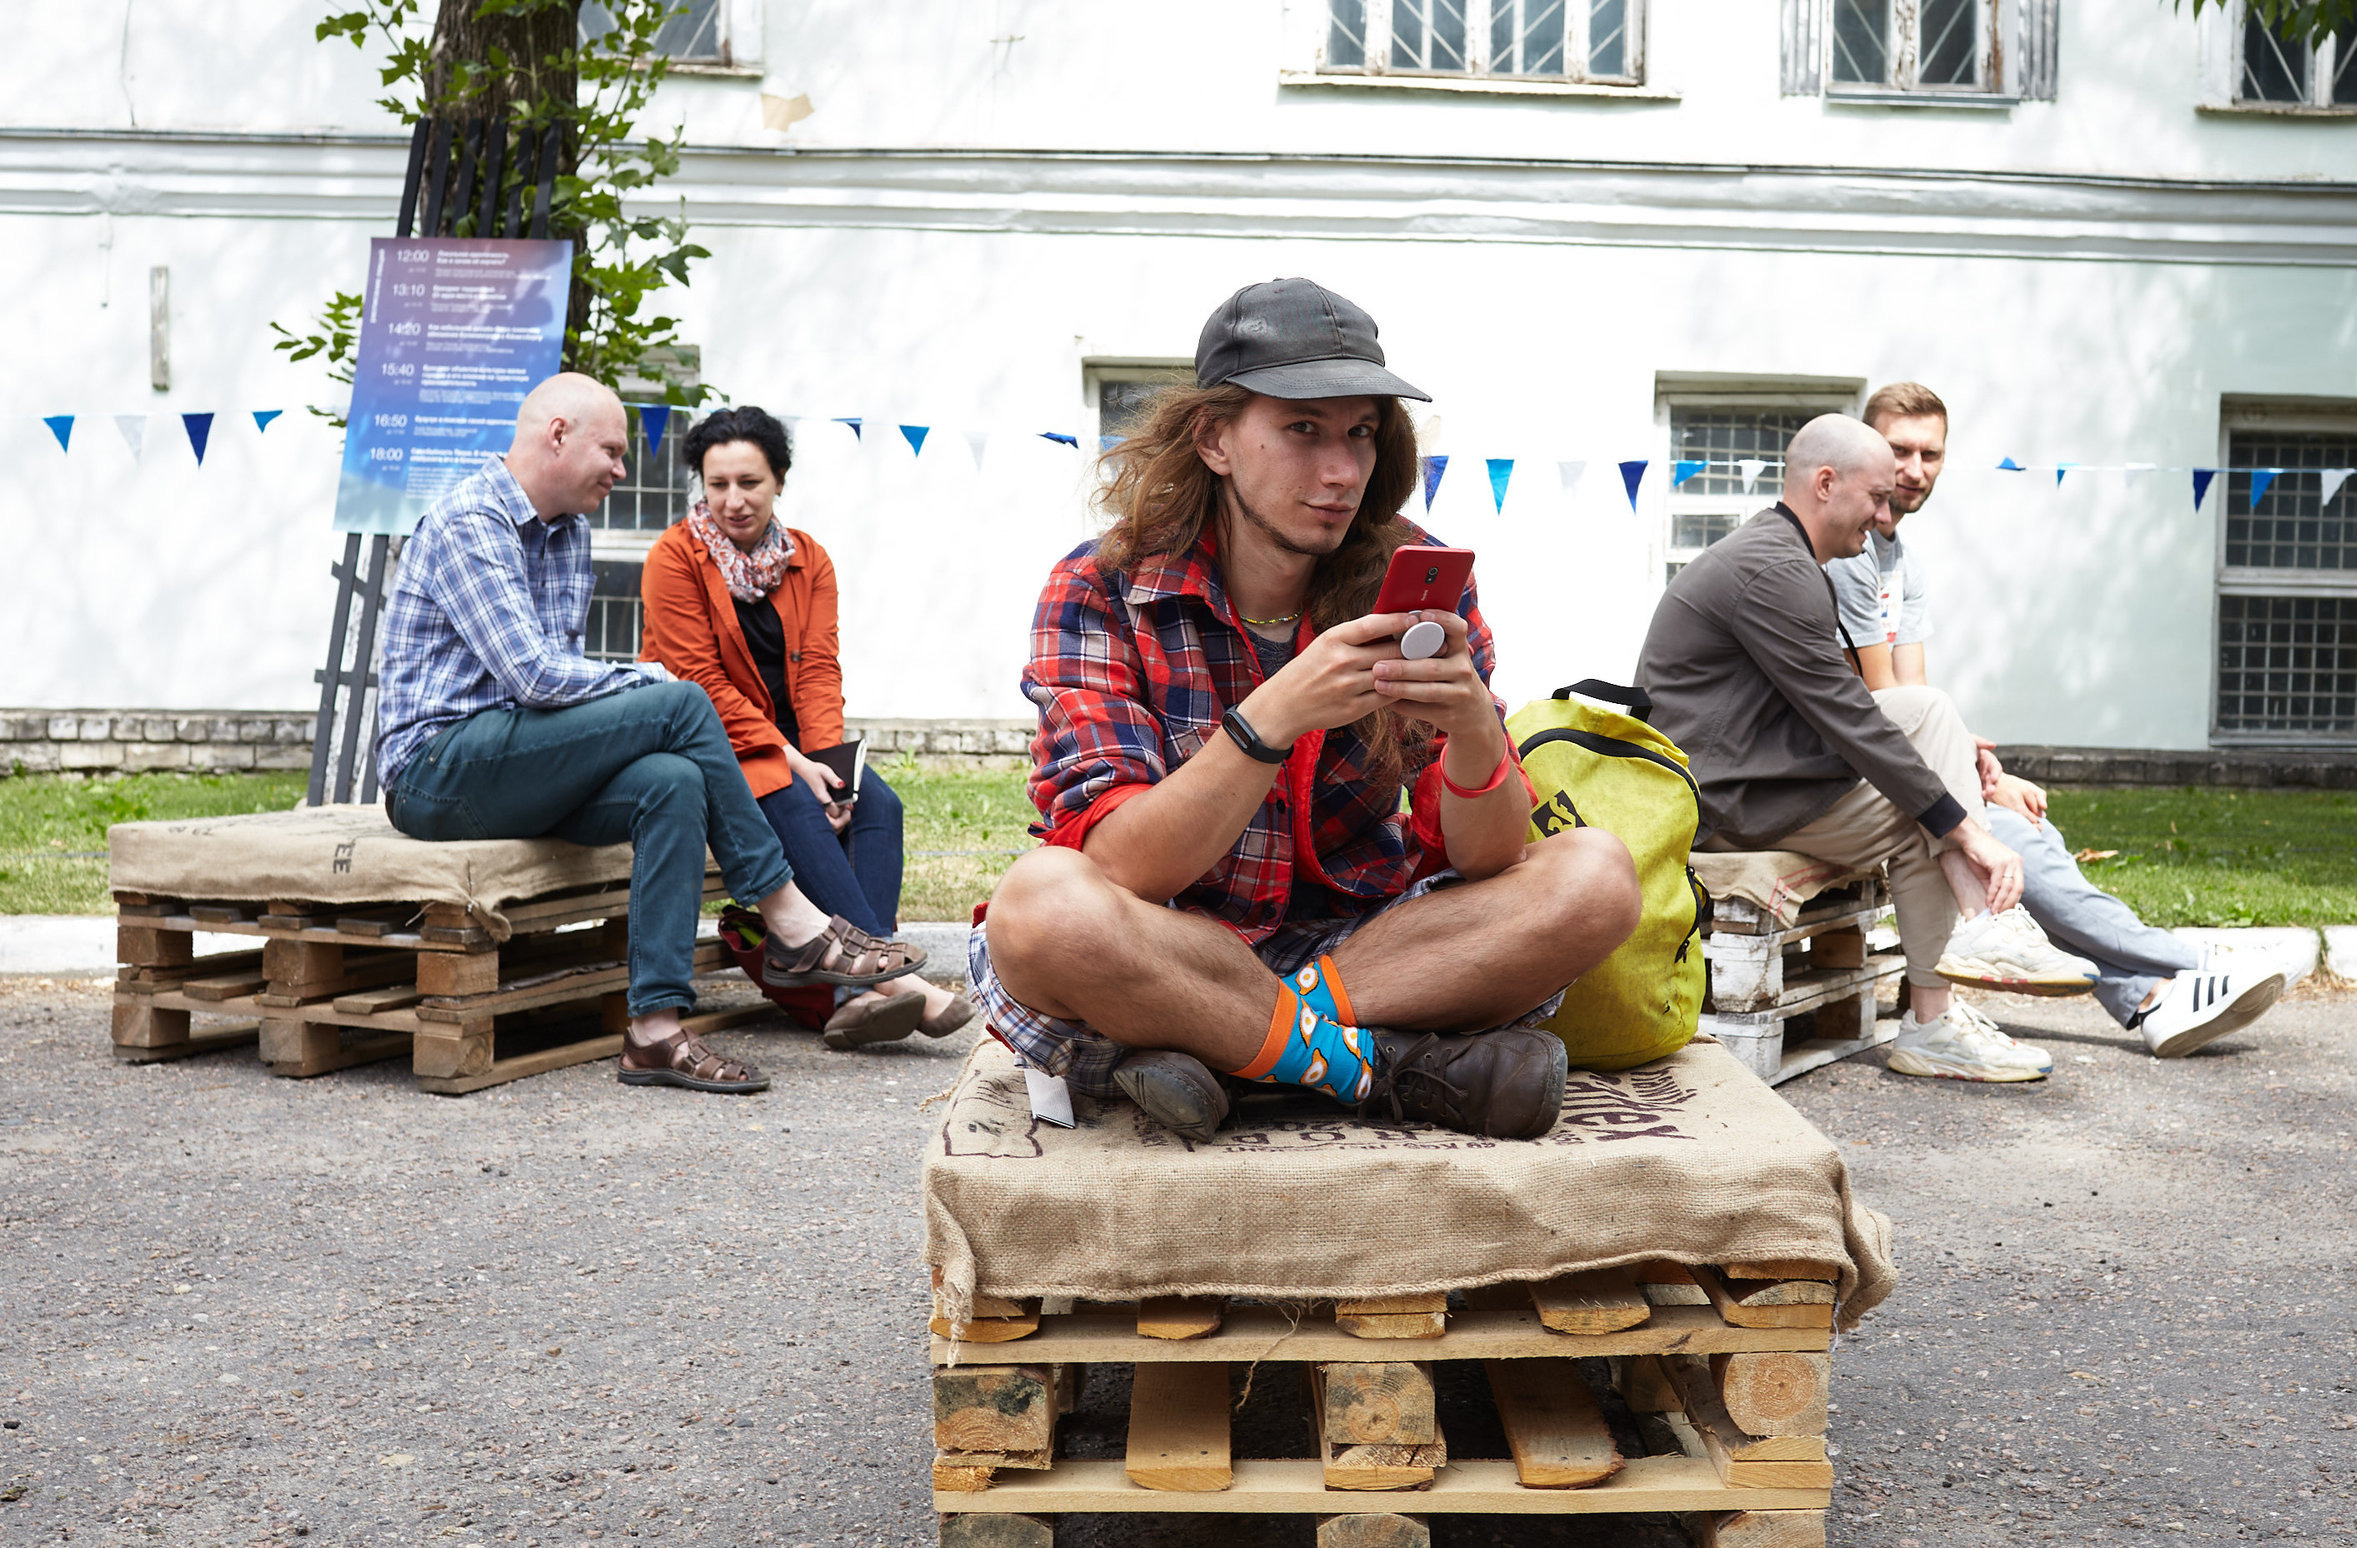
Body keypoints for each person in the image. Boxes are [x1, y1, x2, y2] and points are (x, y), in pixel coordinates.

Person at [973, 277, 1642, 1144]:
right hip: (1166, 941)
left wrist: (1476, 730)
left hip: (1366, 954)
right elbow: (1125, 869)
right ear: (1214, 438)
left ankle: (1235, 1053)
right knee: (1041, 910)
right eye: (1302, 431)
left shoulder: (1419, 576)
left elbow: (1486, 862)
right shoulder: (1103, 588)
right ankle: (1381, 1069)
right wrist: (1266, 722)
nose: (1341, 473)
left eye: (1361, 434)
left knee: (1596, 876)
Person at [376, 371, 931, 1095]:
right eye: (610, 450)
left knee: (673, 782)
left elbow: (558, 690)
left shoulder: (568, 532)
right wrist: (656, 687)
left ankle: (654, 1030)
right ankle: (790, 920)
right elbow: (537, 678)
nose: (621, 469)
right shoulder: (471, 524)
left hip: (517, 757)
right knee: (681, 699)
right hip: (439, 770)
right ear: (557, 436)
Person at [1828, 382, 2294, 1057]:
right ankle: (2185, 961)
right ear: (1867, 451)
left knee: (2024, 828)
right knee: (2013, 838)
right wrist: (1981, 783)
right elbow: (1884, 703)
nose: (1915, 469)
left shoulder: (1906, 560)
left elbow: (1913, 693)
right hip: (1850, 773)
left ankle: (2152, 998)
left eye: (1931, 453)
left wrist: (1986, 770)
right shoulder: (1850, 554)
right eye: (1900, 450)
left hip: (1889, 753)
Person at [1635, 414, 2096, 1085]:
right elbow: (1849, 718)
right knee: (1924, 812)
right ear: (1826, 484)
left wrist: (1952, 793)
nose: (1885, 515)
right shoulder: (1775, 571)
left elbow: (1851, 715)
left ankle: (1965, 956)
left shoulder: (1785, 558)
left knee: (1929, 713)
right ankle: (1947, 996)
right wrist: (1972, 832)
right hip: (1721, 801)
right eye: (1877, 497)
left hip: (1752, 770)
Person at [639, 405, 972, 1049]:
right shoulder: (673, 558)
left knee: (878, 803)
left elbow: (819, 668)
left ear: (780, 481)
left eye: (750, 483)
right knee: (789, 798)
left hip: (794, 745)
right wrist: (797, 764)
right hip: (711, 743)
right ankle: (884, 984)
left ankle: (857, 990)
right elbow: (700, 685)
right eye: (718, 485)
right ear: (701, 487)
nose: (733, 501)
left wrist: (833, 769)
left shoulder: (807, 559)